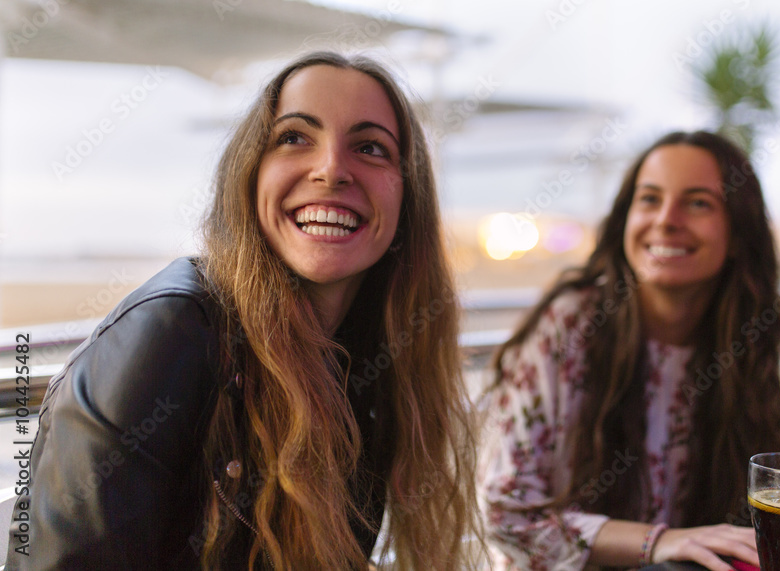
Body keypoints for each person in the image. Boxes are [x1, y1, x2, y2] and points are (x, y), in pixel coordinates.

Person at [7, 51, 481, 570]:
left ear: (407, 196)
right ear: (250, 172)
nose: (330, 169)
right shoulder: (172, 332)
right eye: (295, 137)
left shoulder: (368, 360)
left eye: (370, 147)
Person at [478, 131, 780, 571]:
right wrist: (660, 542)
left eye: (698, 202)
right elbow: (506, 514)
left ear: (739, 232)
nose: (666, 219)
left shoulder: (744, 340)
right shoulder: (571, 326)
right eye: (649, 199)